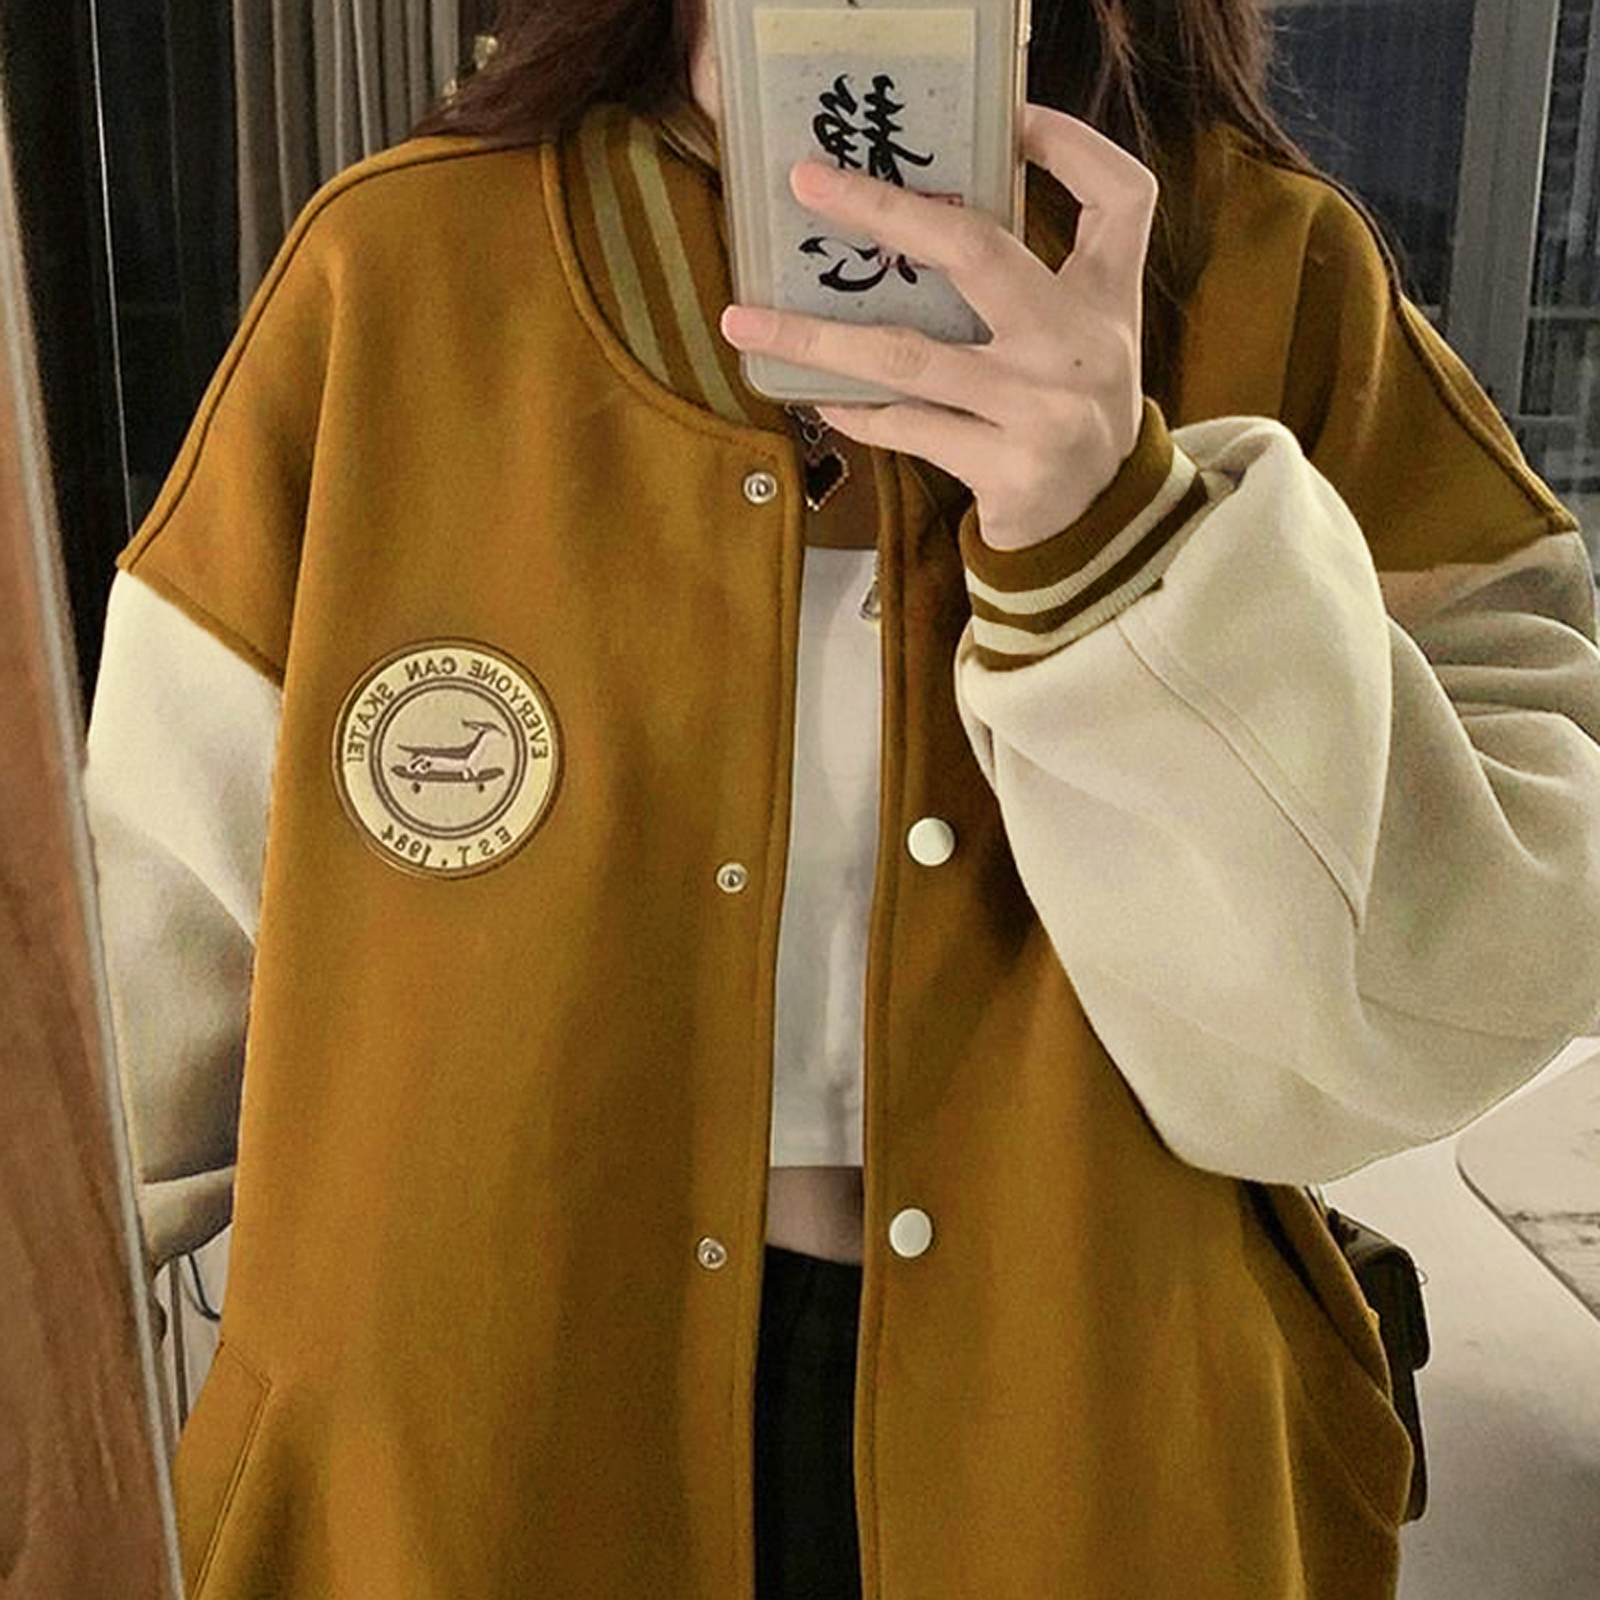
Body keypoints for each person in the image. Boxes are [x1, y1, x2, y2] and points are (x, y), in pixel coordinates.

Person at [83, 1, 1600, 1596]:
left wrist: (1123, 539)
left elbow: (1499, 943)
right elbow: (119, 1011)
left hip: (1094, 1454)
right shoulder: (400, 276)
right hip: (471, 1457)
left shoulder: (1260, 271)